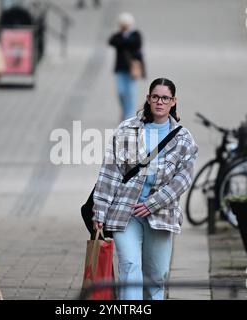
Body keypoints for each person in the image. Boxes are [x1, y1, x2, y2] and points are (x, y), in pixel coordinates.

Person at [92, 78, 198, 300]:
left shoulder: (183, 139)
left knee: (156, 276)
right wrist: (99, 211)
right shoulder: (127, 129)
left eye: (165, 98)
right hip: (125, 212)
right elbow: (110, 172)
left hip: (161, 215)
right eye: (155, 97)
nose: (160, 102)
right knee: (129, 267)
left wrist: (152, 204)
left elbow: (183, 179)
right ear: (148, 99)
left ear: (173, 101)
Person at [109, 12, 145, 121]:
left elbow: (135, 43)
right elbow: (112, 41)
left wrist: (125, 38)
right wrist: (123, 37)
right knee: (120, 92)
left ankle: (129, 115)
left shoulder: (135, 35)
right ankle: (124, 110)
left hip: (132, 69)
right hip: (120, 69)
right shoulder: (118, 35)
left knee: (130, 93)